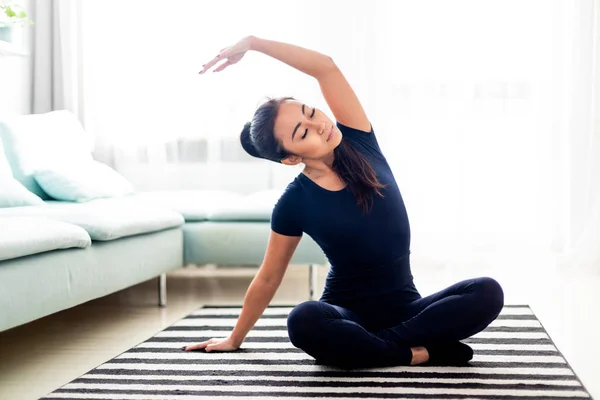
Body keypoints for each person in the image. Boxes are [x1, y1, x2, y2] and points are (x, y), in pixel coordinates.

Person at [183, 35, 504, 369]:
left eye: (310, 112)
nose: (319, 125)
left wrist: (253, 43)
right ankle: (419, 352)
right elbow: (268, 277)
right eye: (303, 133)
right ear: (292, 159)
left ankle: (379, 348)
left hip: (408, 309)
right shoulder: (294, 203)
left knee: (487, 292)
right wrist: (234, 339)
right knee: (303, 320)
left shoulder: (359, 141)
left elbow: (325, 68)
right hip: (345, 314)